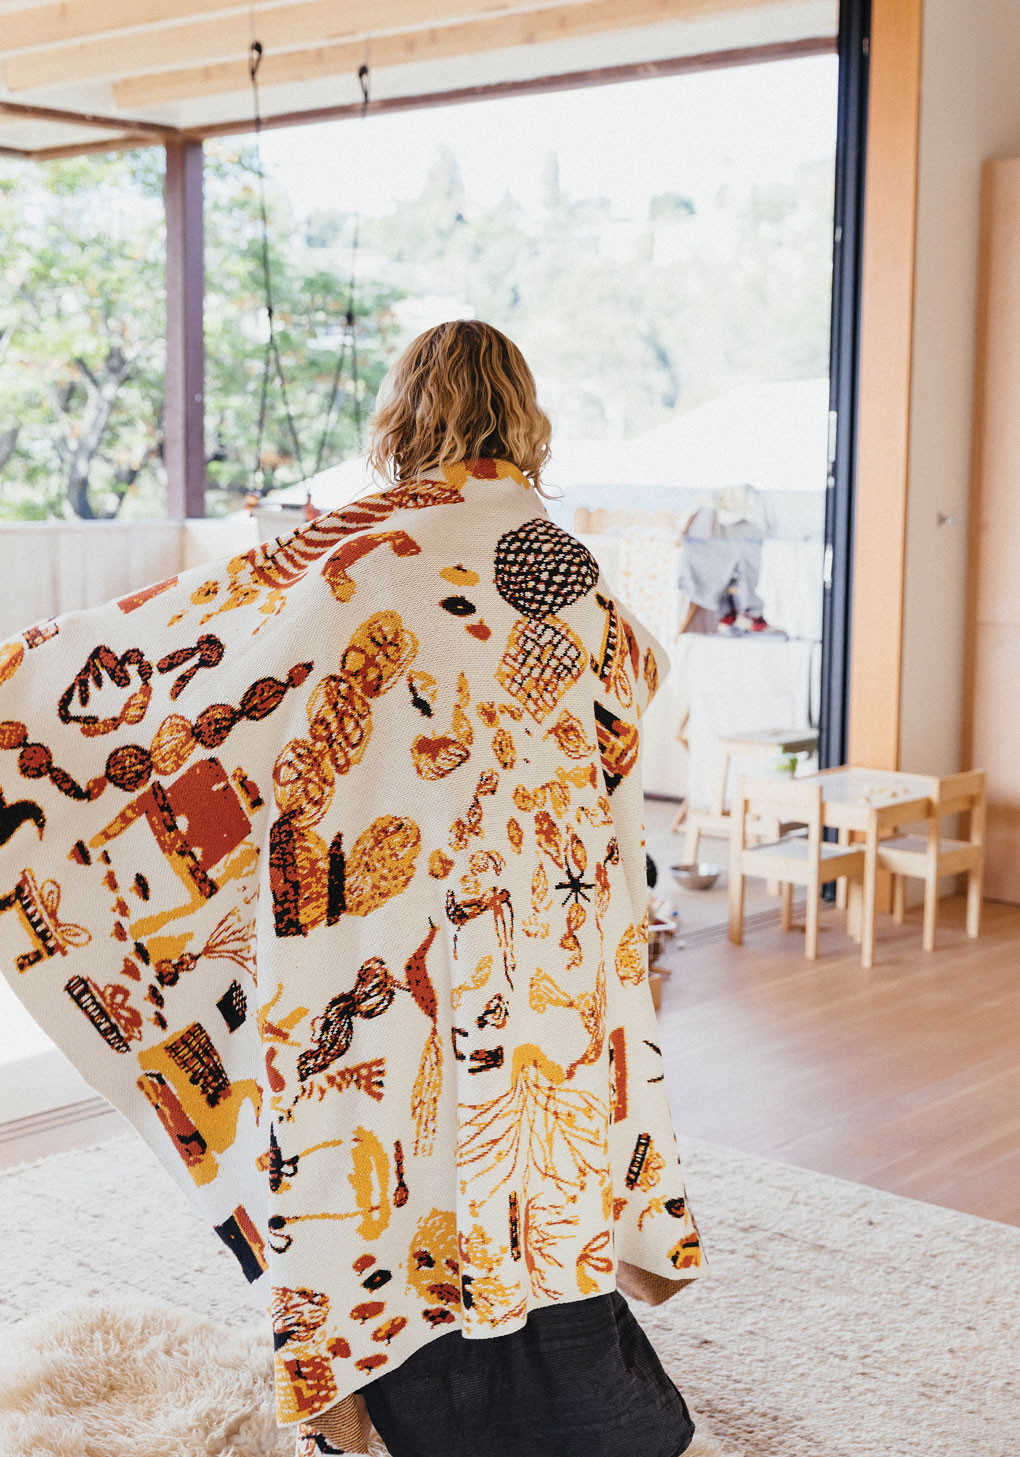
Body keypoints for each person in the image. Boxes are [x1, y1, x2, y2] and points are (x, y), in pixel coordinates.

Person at [0, 320, 705, 1457]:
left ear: (403, 417)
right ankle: (580, 1402)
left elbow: (215, 671)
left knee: (389, 1159)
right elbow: (634, 693)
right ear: (523, 416)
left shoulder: (352, 555)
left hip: (374, 922)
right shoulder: (561, 559)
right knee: (539, 1133)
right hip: (547, 926)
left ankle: (399, 1392)